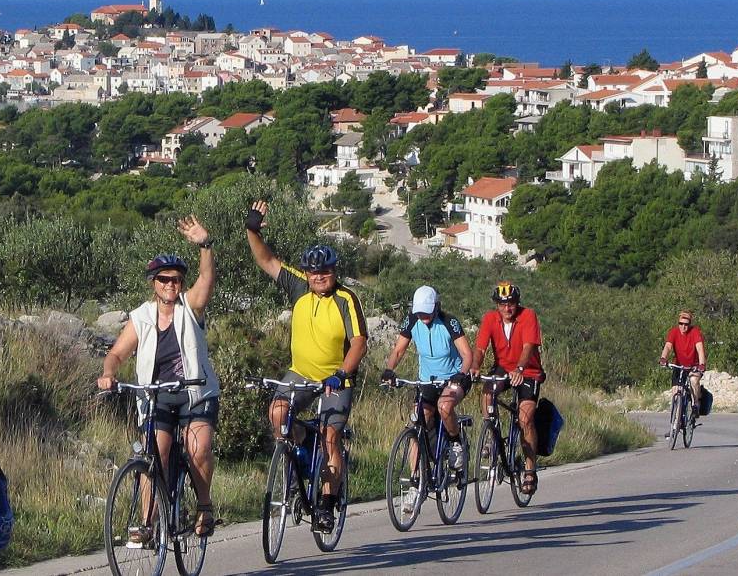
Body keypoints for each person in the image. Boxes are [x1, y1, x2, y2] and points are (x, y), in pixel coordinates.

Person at [245, 200, 367, 533]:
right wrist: (252, 229)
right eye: (314, 273)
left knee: (331, 437)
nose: (318, 277)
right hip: (301, 372)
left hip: (336, 378)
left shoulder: (346, 299)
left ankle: (326, 506)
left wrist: (342, 374)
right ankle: (301, 447)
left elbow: (359, 343)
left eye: (324, 272)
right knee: (277, 414)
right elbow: (266, 260)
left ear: (334, 271)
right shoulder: (299, 287)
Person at [97, 215, 221, 542]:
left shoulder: (189, 307)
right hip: (157, 396)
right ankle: (147, 524)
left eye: (177, 279)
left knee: (198, 447)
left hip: (195, 393)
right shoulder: (141, 317)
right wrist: (108, 374)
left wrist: (205, 246)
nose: (171, 284)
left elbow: (206, 280)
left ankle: (204, 506)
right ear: (154, 282)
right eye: (164, 279)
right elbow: (117, 354)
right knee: (155, 454)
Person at [381, 285, 474, 473]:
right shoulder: (411, 321)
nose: (423, 317)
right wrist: (389, 369)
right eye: (419, 313)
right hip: (427, 381)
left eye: (427, 313)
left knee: (444, 406)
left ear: (436, 307)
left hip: (453, 378)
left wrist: (461, 373)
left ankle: (456, 444)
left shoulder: (449, 322)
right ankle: (417, 481)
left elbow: (467, 354)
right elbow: (398, 350)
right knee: (418, 423)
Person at [471, 281, 544, 495]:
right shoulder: (489, 319)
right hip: (503, 367)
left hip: (528, 370)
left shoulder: (528, 315)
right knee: (487, 393)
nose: (507, 309)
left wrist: (520, 369)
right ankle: (491, 436)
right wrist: (475, 365)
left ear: (517, 303)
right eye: (502, 304)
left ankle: (530, 468)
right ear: (496, 305)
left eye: (511, 304)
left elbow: (529, 346)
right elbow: (480, 347)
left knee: (525, 419)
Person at [660, 310, 706, 417]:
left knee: (693, 381)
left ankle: (695, 405)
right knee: (676, 391)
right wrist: (663, 358)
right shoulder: (674, 332)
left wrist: (702, 364)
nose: (683, 326)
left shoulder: (695, 332)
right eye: (681, 324)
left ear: (689, 324)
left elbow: (700, 349)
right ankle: (674, 423)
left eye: (686, 324)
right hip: (679, 366)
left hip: (693, 366)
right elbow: (668, 346)